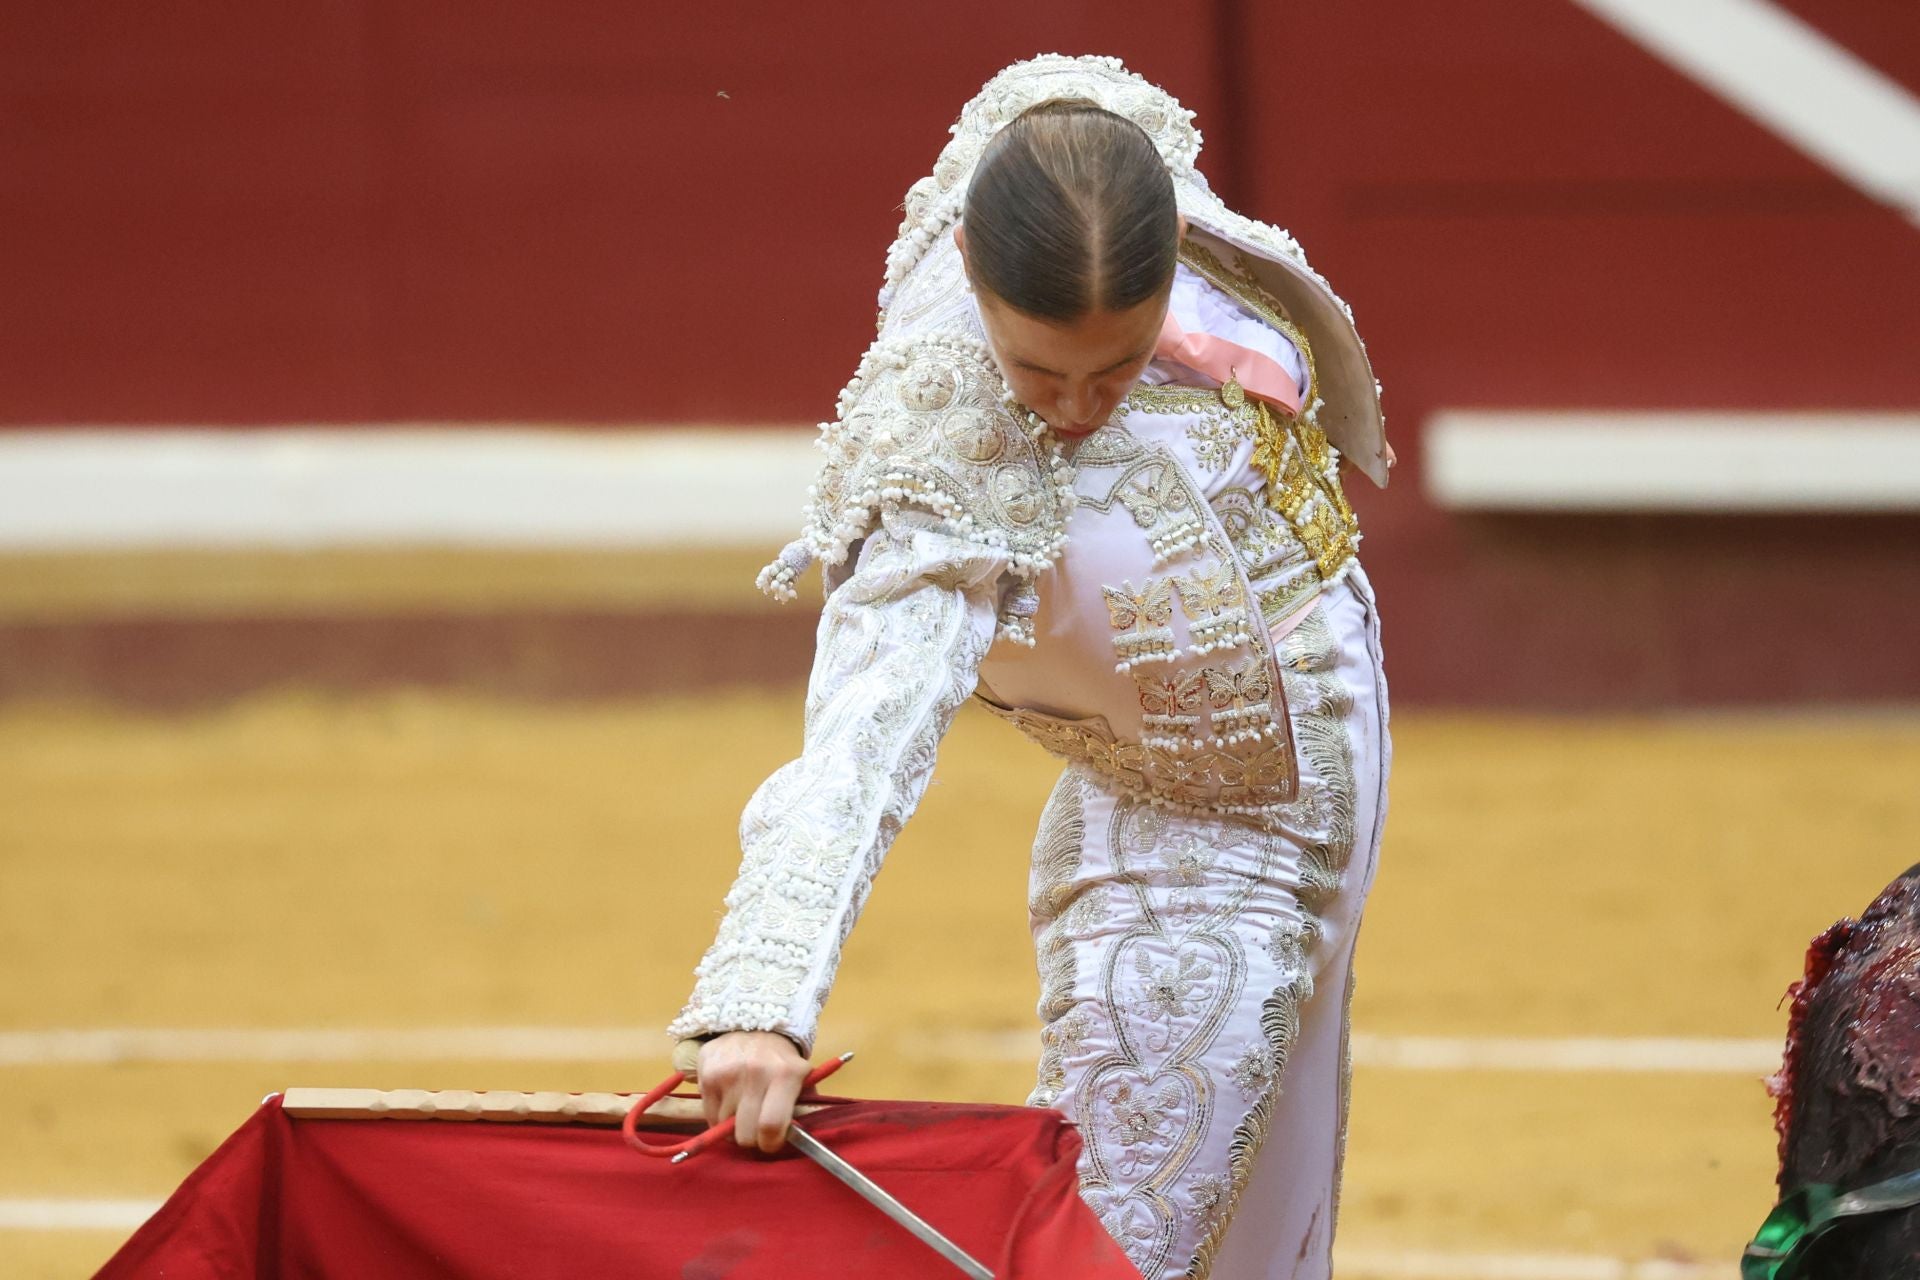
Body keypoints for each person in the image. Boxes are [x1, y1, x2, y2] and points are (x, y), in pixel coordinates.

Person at [666, 54, 1394, 1280]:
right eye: (1040, 372)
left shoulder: (1098, 177)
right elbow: (866, 723)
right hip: (1171, 805)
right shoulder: (948, 441)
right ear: (970, 273)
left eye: (1115, 368)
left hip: (1310, 735)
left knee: (1237, 1208)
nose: (1073, 408)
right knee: (1121, 1237)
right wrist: (761, 996)